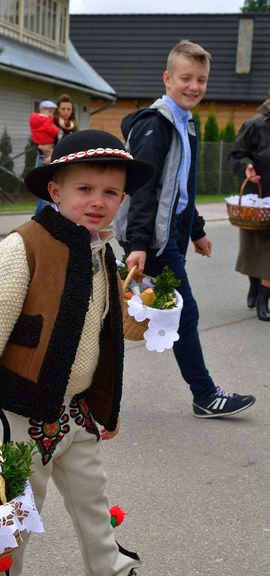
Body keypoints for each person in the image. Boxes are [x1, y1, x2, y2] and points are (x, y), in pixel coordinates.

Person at [0, 129, 163, 576]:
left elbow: (105, 327)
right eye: (84, 189)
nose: (98, 201)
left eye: (110, 192)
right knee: (16, 505)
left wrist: (144, 313)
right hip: (26, 404)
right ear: (56, 191)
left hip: (75, 407)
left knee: (92, 497)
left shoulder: (102, 250)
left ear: (122, 197)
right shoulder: (25, 245)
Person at [114, 39, 256, 419]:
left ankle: (81, 386)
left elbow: (180, 190)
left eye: (201, 80)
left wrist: (196, 231)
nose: (194, 86)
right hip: (153, 239)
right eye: (186, 78)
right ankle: (205, 395)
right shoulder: (156, 125)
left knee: (152, 315)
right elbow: (143, 186)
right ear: (167, 78)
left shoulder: (185, 124)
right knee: (183, 314)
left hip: (169, 233)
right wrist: (140, 243)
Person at [228, 91, 270, 321]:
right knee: (253, 251)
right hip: (258, 202)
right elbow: (236, 156)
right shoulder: (254, 126)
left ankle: (264, 299)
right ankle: (254, 284)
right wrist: (247, 167)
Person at [29, 100, 60, 215]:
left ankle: (41, 218)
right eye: (49, 111)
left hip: (50, 157)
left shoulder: (40, 123)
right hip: (42, 157)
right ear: (42, 111)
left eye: (53, 112)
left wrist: (52, 156)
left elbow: (57, 143)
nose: (51, 114)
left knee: (48, 192)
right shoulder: (48, 124)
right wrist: (40, 146)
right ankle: (38, 218)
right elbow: (33, 142)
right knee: (45, 191)